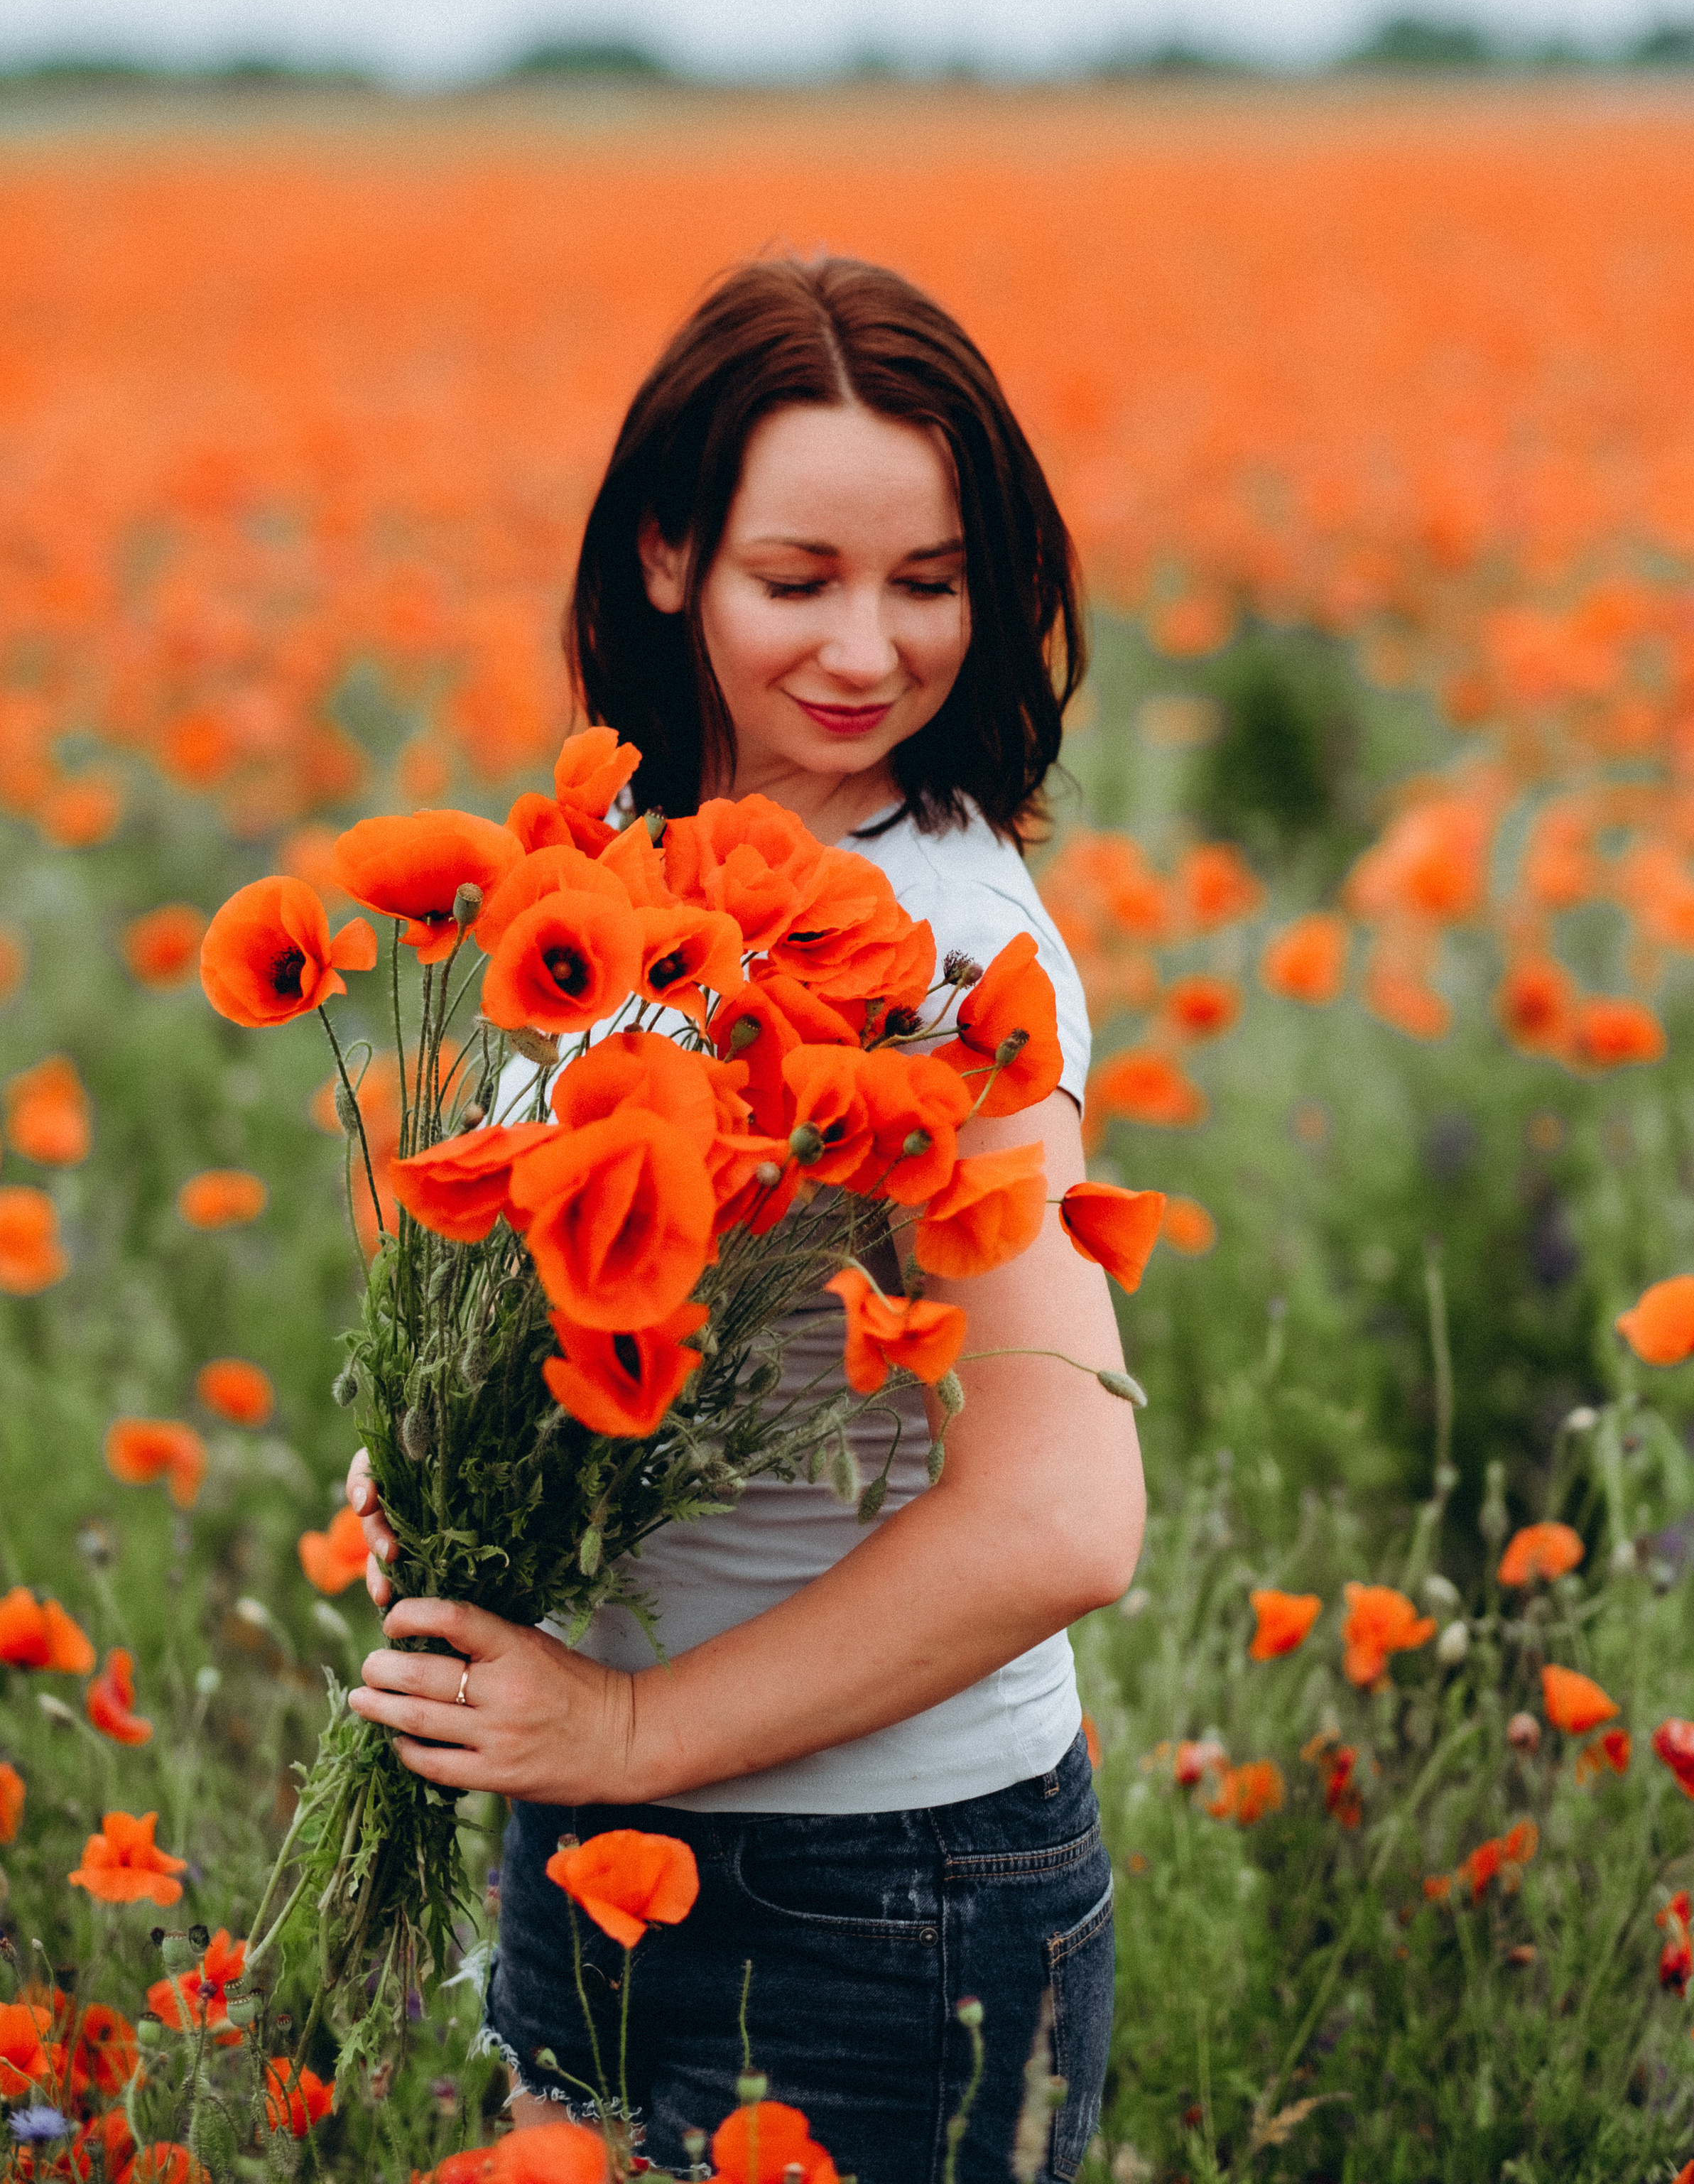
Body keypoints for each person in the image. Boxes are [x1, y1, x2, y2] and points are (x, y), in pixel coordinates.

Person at [344, 256, 1147, 2180]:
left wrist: (623, 1737)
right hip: (603, 1829)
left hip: (870, 1896)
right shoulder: (629, 864)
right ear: (665, 558)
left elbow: (1065, 1515)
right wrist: (448, 1478)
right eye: (802, 581)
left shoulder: (945, 965)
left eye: (930, 582)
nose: (869, 650)